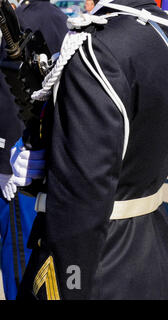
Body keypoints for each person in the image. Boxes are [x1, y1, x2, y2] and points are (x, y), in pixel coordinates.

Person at [11, 0, 168, 299]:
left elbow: (81, 194)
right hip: (152, 249)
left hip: (100, 263)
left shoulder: (96, 48)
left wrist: (65, 287)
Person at [0, 0, 67, 299]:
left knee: (19, 266)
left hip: (18, 164)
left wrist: (4, 164)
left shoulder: (22, 18)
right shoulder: (59, 18)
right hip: (37, 158)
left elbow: (15, 96)